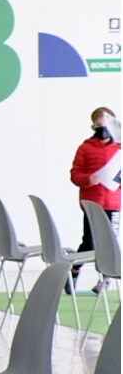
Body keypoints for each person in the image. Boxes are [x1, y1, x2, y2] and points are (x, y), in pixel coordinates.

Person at [68, 106, 121, 293]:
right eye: (99, 125)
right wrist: (89, 179)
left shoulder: (119, 149)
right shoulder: (85, 148)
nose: (103, 129)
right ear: (93, 127)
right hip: (92, 204)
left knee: (111, 244)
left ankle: (105, 280)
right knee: (89, 243)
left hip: (113, 203)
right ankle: (74, 271)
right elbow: (75, 175)